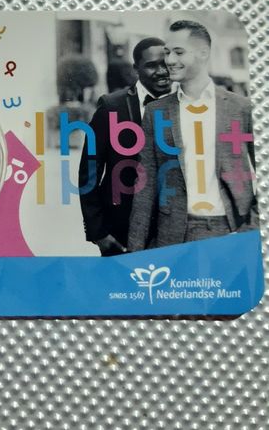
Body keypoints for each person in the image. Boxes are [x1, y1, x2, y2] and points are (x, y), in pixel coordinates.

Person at [127, 20, 257, 250]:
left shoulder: (241, 108)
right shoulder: (156, 112)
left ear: (203, 53)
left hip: (230, 232)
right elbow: (145, 186)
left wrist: (251, 229)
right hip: (173, 235)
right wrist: (135, 251)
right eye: (167, 52)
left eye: (179, 52)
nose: (170, 60)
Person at [78, 37, 172, 256]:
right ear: (135, 69)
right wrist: (98, 232)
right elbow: (89, 171)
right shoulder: (111, 106)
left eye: (165, 64)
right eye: (151, 65)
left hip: (172, 231)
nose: (161, 71)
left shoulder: (185, 104)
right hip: (121, 229)